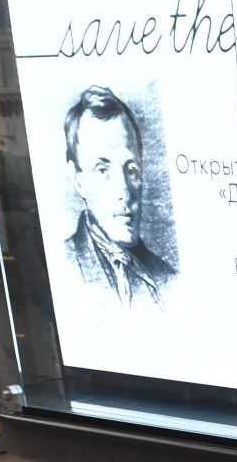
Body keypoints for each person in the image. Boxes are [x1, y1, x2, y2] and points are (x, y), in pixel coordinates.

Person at [63, 85, 173, 305]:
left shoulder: (167, 278)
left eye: (131, 169)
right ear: (78, 180)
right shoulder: (64, 268)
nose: (123, 190)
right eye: (102, 170)